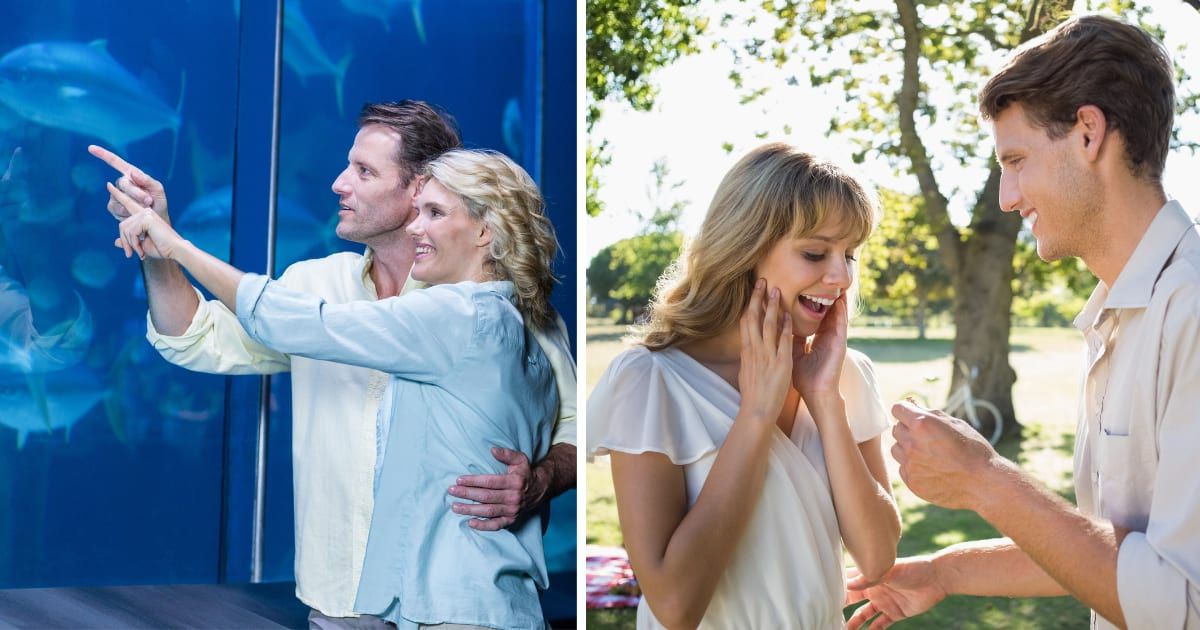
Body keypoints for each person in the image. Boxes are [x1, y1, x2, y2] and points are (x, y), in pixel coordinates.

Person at [88, 100, 576, 626]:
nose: (338, 183)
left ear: (420, 188)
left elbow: (573, 425)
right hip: (340, 597)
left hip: (454, 599)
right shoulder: (314, 285)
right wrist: (157, 246)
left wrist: (541, 480)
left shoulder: (496, 308)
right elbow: (195, 337)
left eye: (364, 171)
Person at [846, 15, 1199, 630]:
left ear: (1088, 133)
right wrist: (944, 571)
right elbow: (1113, 553)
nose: (1007, 197)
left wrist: (983, 480)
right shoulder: (1120, 315)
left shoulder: (1190, 310)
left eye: (1016, 159)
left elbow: (1179, 604)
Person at [588, 143, 901, 628]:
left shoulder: (846, 375)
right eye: (816, 252)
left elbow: (878, 557)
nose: (840, 277)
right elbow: (675, 605)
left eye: (849, 255)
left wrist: (824, 401)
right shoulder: (648, 382)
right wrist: (756, 413)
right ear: (745, 248)